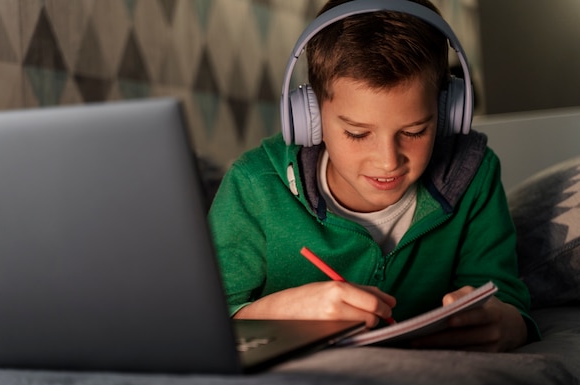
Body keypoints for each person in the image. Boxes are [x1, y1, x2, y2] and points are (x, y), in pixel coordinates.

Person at [208, 0, 538, 352]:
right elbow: (193, 323)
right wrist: (278, 312)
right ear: (310, 119)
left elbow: (506, 299)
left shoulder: (475, 176)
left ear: (446, 113)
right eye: (357, 133)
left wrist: (511, 325)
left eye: (414, 131)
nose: (387, 162)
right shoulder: (253, 187)